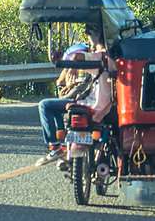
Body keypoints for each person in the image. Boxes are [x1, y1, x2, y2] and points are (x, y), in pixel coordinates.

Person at [35, 24, 112, 167]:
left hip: (92, 106)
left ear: (94, 37)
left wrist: (73, 65)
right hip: (109, 107)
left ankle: (54, 147)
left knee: (45, 105)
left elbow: (77, 57)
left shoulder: (99, 57)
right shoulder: (118, 59)